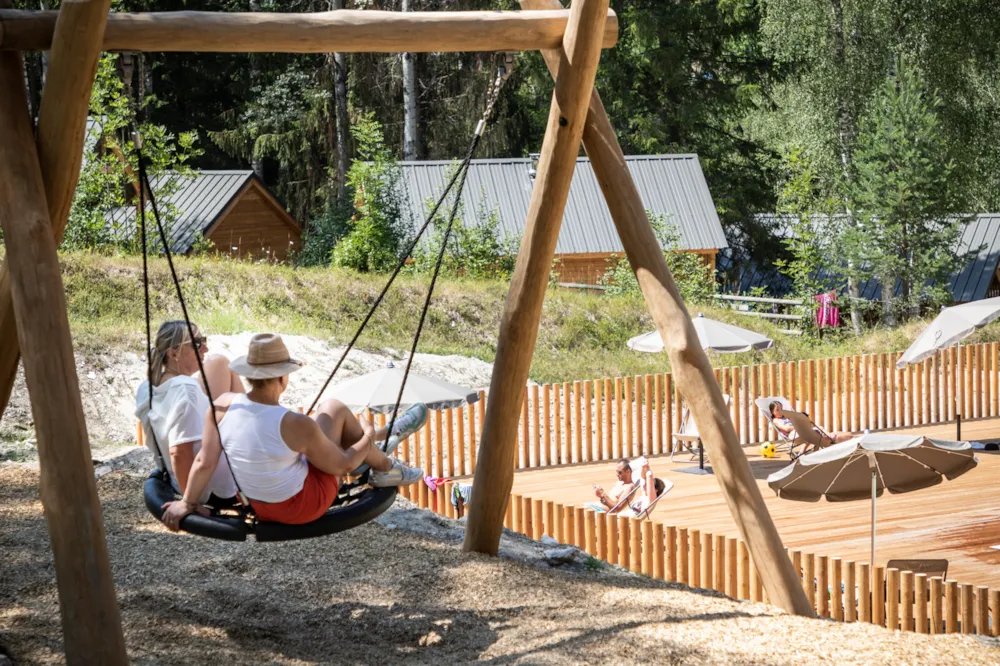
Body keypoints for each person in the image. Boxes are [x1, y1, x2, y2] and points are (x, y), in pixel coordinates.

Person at [160, 333, 425, 529]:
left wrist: (187, 502)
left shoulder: (222, 406)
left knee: (328, 423)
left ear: (250, 375)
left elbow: (203, 462)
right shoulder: (294, 423)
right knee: (333, 408)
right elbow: (342, 466)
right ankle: (385, 463)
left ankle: (381, 451)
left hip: (256, 504)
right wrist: (366, 436)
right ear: (282, 377)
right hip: (302, 506)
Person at [135, 320, 244, 504]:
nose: (205, 348)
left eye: (204, 340)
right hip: (210, 488)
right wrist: (189, 503)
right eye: (197, 343)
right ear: (173, 353)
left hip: (178, 478)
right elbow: (179, 453)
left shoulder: (147, 387)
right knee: (246, 414)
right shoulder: (186, 390)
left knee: (218, 362)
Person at [768, 401, 852, 452]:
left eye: (781, 409)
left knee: (819, 428)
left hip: (800, 432)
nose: (780, 411)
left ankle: (829, 438)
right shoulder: (776, 420)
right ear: (772, 412)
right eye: (777, 410)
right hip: (792, 435)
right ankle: (830, 439)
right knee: (813, 432)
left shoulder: (786, 416)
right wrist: (798, 426)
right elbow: (786, 428)